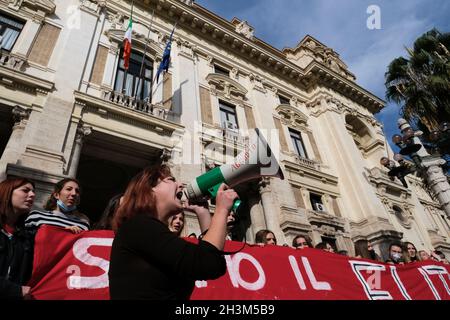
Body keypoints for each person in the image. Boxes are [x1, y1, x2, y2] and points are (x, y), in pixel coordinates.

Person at [108, 165, 237, 300]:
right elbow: (207, 262)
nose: (180, 184)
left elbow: (213, 263)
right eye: (171, 180)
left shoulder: (148, 230)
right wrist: (221, 210)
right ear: (149, 189)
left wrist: (203, 213)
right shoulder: (137, 227)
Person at [0, 177, 36, 299]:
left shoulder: (25, 237)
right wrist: (15, 290)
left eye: (33, 192)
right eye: (25, 190)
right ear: (8, 191)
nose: (32, 195)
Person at [25, 178, 90, 233]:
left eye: (77, 191)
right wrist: (61, 232)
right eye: (69, 189)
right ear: (56, 195)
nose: (74, 193)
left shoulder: (83, 225)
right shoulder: (36, 216)